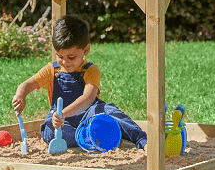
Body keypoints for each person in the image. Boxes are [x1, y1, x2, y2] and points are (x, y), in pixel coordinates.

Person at [11, 14, 148, 149]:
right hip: (63, 122)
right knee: (49, 131)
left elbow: (88, 99)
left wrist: (64, 112)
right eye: (60, 56)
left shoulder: (91, 70)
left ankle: (141, 139)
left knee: (109, 110)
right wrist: (20, 96)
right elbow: (27, 84)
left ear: (86, 50)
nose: (65, 62)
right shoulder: (52, 70)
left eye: (71, 57)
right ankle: (93, 136)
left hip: (89, 115)